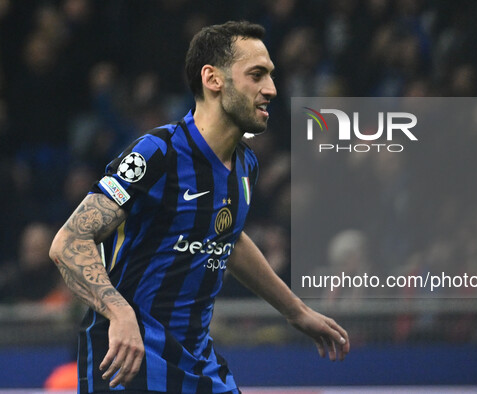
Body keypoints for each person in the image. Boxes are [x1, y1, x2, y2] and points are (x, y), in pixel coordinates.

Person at [49, 20, 349, 394]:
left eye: (271, 76)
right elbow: (69, 241)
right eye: (256, 75)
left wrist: (296, 311)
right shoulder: (158, 153)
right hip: (128, 362)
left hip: (198, 365)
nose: (271, 89)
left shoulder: (245, 165)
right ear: (213, 79)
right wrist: (119, 313)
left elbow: (229, 238)